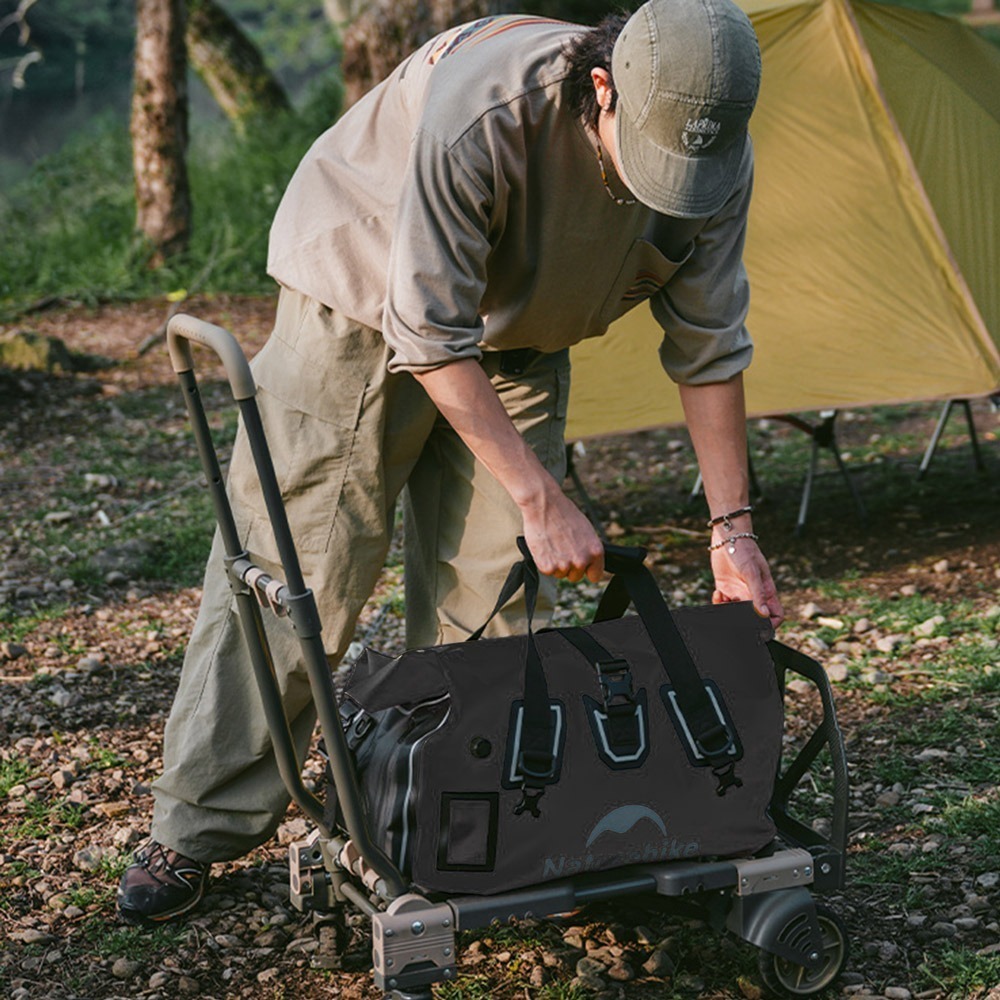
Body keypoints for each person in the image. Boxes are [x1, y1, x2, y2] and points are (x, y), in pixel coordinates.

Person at [116, 0, 783, 926]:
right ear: (603, 90)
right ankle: (197, 824)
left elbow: (709, 347)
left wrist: (731, 532)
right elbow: (427, 332)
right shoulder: (489, 110)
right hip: (358, 293)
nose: (677, 189)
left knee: (505, 593)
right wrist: (541, 492)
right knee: (301, 570)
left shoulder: (717, 160)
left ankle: (458, 824)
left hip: (522, 330)